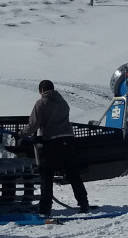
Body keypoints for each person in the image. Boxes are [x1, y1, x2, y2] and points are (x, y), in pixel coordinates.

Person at [19, 80, 90, 216]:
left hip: (51, 143)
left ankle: (45, 209)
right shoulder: (63, 102)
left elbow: (33, 125)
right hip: (68, 141)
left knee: (46, 176)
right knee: (73, 174)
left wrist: (20, 134)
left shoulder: (41, 103)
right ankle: (84, 203)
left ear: (41, 91)